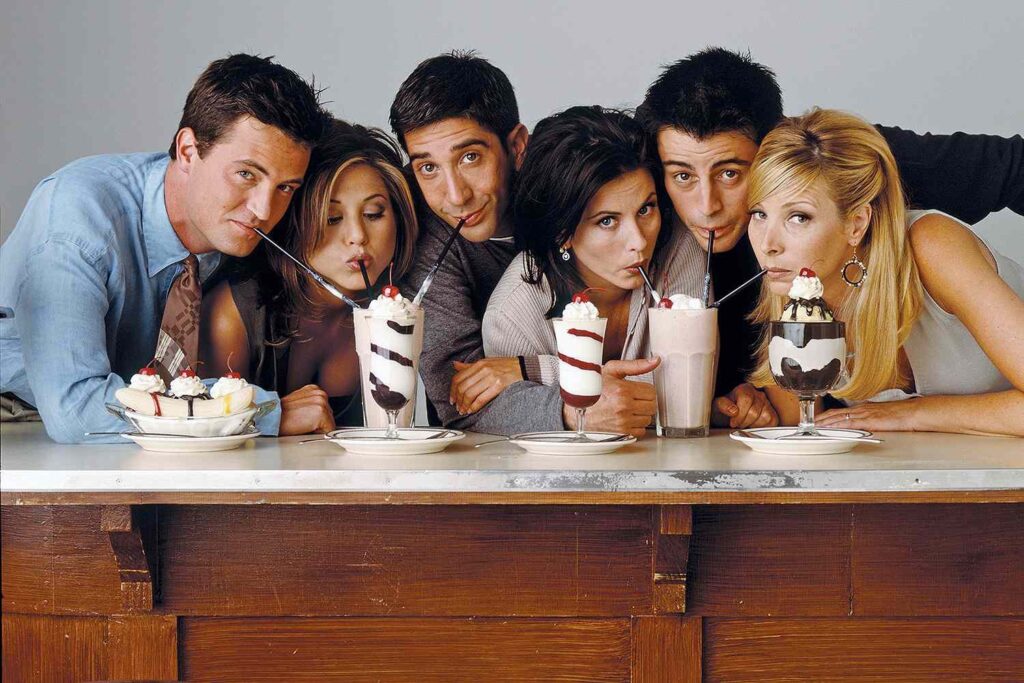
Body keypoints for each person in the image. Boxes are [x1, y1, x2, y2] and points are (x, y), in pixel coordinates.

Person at [637, 47, 1024, 429]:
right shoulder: (784, 271)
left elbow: (1013, 166)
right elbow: (800, 421)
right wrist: (736, 408)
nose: (706, 207)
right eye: (683, 176)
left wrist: (914, 413)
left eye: (730, 173)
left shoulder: (865, 182)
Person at [0, 54, 329, 442]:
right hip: (27, 427)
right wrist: (255, 412)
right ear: (188, 150)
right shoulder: (78, 216)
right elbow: (74, 410)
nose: (263, 210)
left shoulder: (236, 226)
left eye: (285, 187)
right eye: (245, 174)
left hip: (137, 432)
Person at [745, 109, 1024, 436]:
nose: (768, 244)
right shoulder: (788, 286)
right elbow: (804, 430)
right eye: (759, 213)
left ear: (856, 224)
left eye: (798, 217)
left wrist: (914, 414)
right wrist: (746, 409)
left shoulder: (931, 246)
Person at [482, 106, 708, 437]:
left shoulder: (678, 248)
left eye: (646, 209)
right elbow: (509, 416)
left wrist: (538, 370)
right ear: (563, 233)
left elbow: (687, 391)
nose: (639, 241)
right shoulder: (514, 311)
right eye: (607, 221)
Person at [200, 119, 419, 431]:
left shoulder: (405, 305)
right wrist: (269, 418)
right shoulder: (233, 312)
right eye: (332, 218)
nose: (357, 236)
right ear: (294, 222)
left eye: (374, 214)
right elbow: (205, 433)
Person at [390, 51, 533, 432]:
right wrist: (579, 408)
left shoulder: (573, 192)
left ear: (517, 147)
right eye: (428, 168)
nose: (455, 197)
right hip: (482, 458)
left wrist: (530, 370)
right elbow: (461, 400)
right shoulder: (418, 229)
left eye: (470, 157)